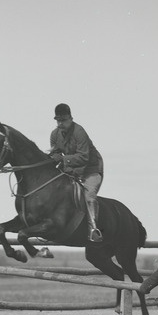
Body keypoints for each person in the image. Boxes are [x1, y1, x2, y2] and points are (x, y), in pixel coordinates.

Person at [48, 103, 104, 242]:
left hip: (92, 169)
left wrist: (62, 159)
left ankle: (94, 230)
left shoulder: (79, 132)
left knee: (89, 197)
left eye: (64, 120)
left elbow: (84, 157)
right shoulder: (54, 134)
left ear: (71, 118)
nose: (60, 124)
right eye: (58, 121)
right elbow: (55, 155)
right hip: (72, 169)